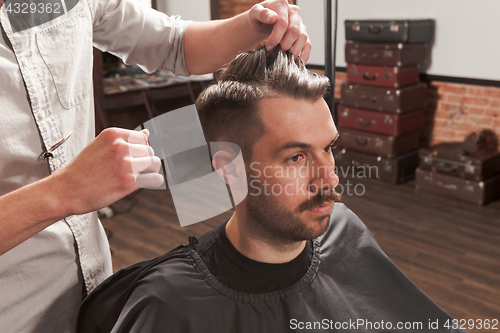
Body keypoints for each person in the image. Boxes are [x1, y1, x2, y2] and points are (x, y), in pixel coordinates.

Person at [76, 47, 466, 333]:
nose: (328, 180)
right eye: (296, 158)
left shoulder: (344, 229)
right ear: (228, 170)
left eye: (328, 148)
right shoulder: (168, 303)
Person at [0, 0, 311, 331]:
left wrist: (251, 26)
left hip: (94, 291)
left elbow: (176, 44)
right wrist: (64, 191)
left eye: (328, 147)